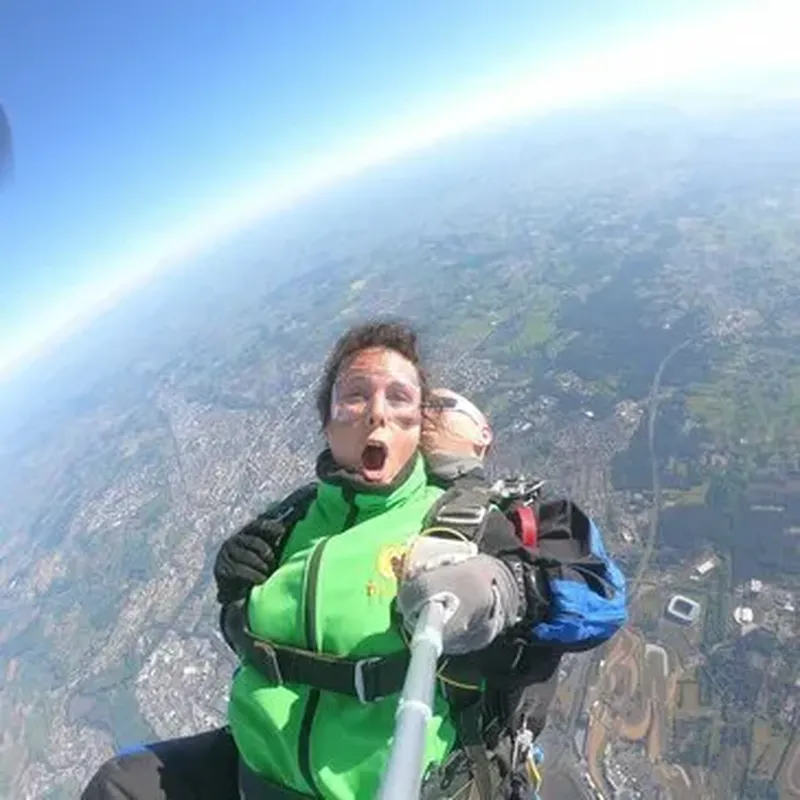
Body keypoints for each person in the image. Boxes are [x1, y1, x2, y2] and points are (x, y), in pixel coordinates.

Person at [82, 321, 626, 799]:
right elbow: (266, 650)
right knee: (120, 786)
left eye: (400, 400)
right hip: (258, 775)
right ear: (327, 422)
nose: (376, 414)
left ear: (418, 430)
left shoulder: (474, 523)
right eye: (355, 396)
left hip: (407, 783)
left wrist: (511, 589)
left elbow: (601, 596)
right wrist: (235, 599)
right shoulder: (285, 527)